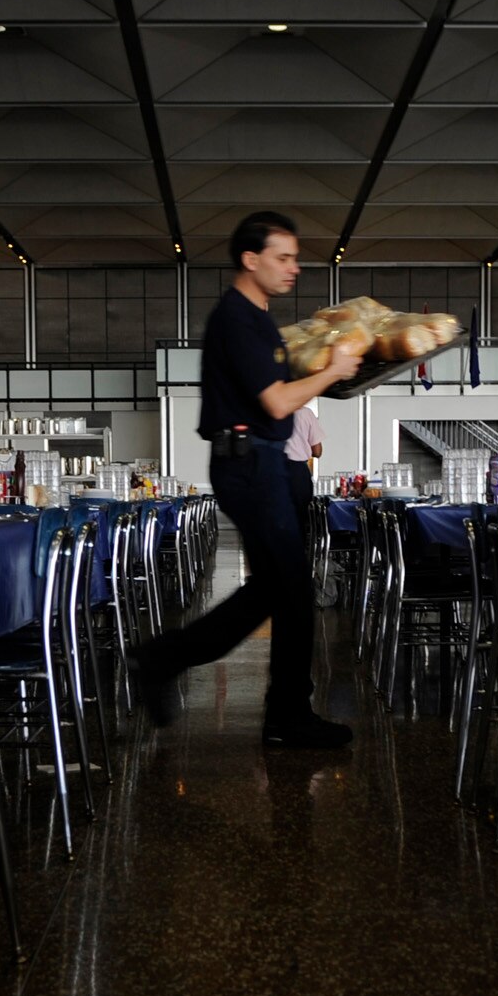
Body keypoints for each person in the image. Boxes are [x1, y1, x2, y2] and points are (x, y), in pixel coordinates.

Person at [131, 211, 358, 750]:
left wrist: (332, 364)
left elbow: (283, 393)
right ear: (249, 259)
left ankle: (170, 663)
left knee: (277, 587)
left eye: (296, 257)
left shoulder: (259, 321)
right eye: (282, 257)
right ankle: (279, 712)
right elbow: (277, 400)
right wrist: (333, 370)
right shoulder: (236, 318)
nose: (294, 268)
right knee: (291, 588)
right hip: (248, 462)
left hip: (262, 460)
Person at [284, 403, 325, 545]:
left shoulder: (271, 410)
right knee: (299, 516)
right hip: (297, 471)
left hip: (273, 468)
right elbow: (317, 451)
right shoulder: (306, 414)